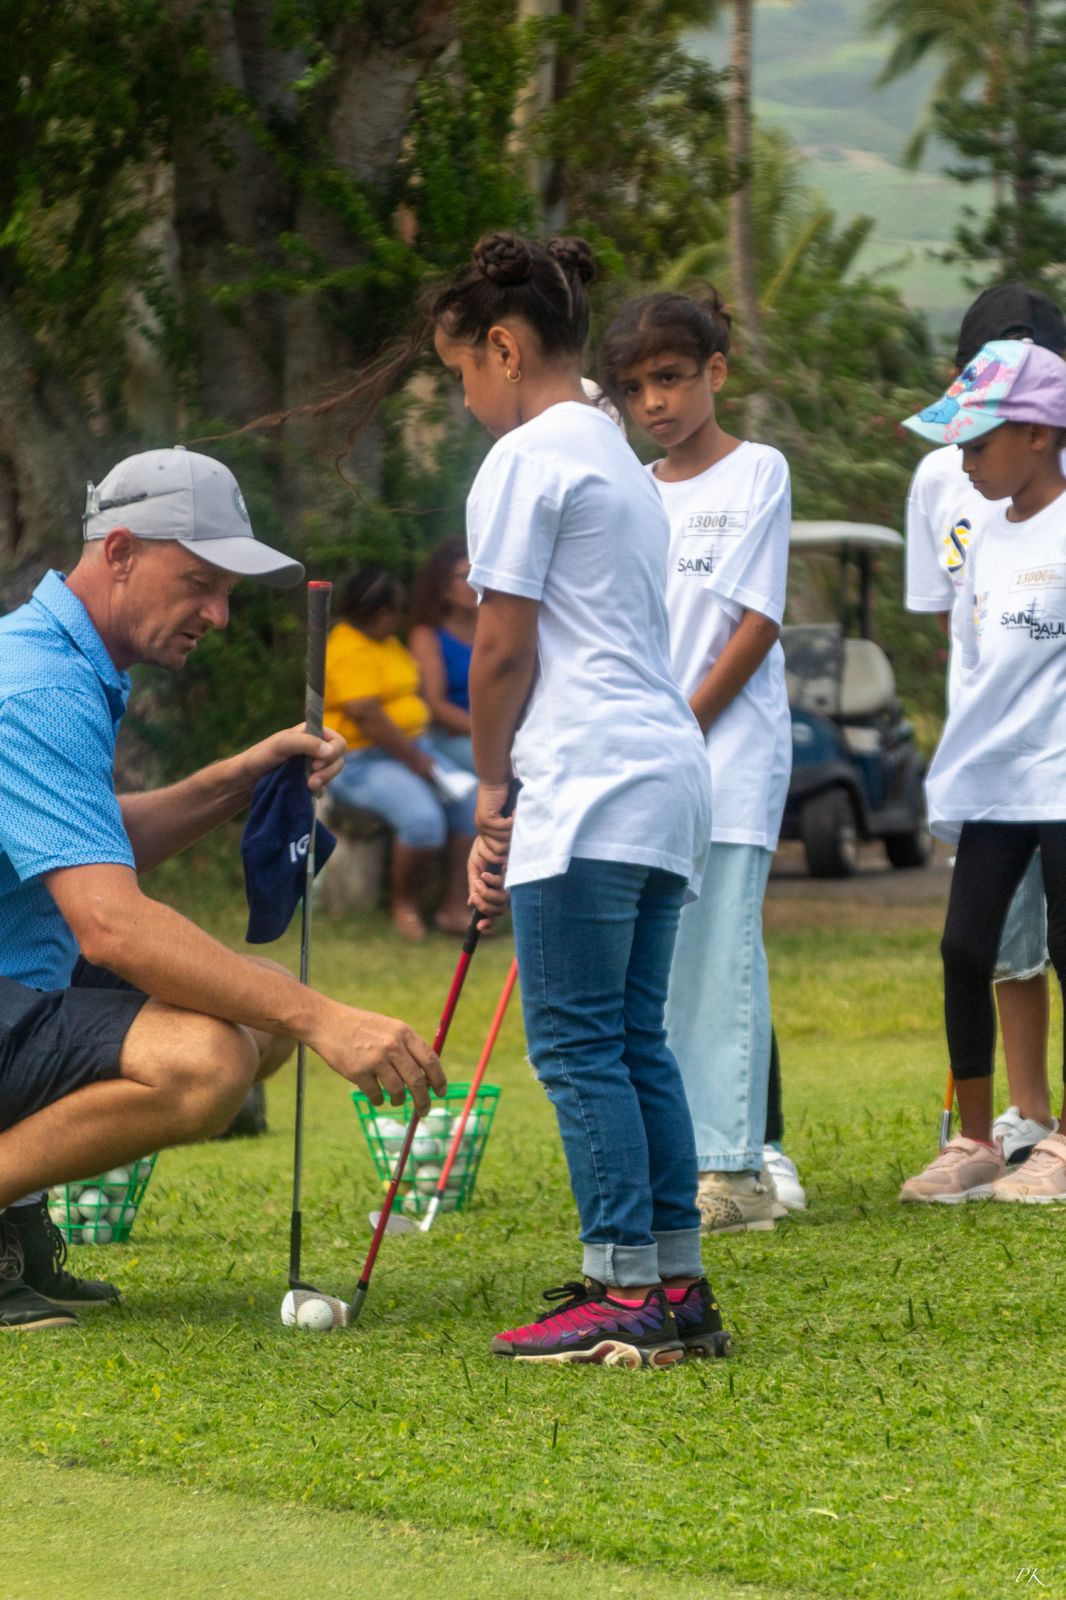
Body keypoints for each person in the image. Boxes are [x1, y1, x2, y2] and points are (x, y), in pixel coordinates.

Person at [0, 448, 444, 1331]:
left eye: (227, 591)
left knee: (258, 1009)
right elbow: (112, 927)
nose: (219, 615)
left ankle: (15, 1223)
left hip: (20, 982)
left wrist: (238, 780)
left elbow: (88, 845)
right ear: (119, 551)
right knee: (208, 1061)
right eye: (199, 583)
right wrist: (328, 1021)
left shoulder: (57, 658)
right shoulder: (37, 685)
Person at [431, 229, 724, 1368]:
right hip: (663, 774)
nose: (465, 400)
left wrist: (489, 788)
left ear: (505, 349)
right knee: (633, 1038)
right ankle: (674, 1284)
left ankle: (621, 1287)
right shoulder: (612, 451)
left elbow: (502, 648)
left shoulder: (527, 459)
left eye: (462, 371)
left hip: (591, 780)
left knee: (576, 1045)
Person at [598, 288, 806, 1233]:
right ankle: (690, 1157)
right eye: (635, 387)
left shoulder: (758, 470)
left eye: (672, 378)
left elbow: (756, 623)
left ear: (716, 372)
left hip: (728, 760)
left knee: (722, 957)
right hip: (652, 763)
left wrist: (681, 729)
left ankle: (734, 1169)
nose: (655, 401)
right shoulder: (630, 487)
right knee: (668, 968)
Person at [899, 342, 1066, 1203]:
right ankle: (973, 1143)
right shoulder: (985, 535)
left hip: (1061, 776)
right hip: (996, 780)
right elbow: (971, 660)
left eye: (978, 442)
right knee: (966, 946)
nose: (963, 461)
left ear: (1039, 432)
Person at [323, 564, 477, 942]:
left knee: (470, 804)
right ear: (381, 613)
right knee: (423, 821)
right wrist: (414, 758)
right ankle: (404, 903)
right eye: (398, 610)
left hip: (410, 750)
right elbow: (365, 714)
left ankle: (455, 905)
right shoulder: (347, 648)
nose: (401, 617)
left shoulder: (384, 641)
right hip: (361, 761)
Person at [408, 537, 478, 774]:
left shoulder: (496, 625)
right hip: (454, 736)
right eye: (465, 576)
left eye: (478, 574)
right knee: (507, 769)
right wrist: (493, 735)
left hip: (509, 730)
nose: (475, 582)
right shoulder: (427, 636)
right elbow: (435, 705)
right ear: (443, 585)